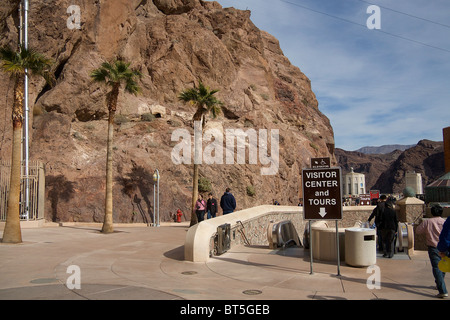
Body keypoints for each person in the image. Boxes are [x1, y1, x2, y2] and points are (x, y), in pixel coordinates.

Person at [416, 205, 447, 298]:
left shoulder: (428, 222)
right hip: (444, 247)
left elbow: (418, 231)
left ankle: (443, 290)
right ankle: (439, 284)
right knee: (443, 267)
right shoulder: (445, 222)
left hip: (433, 247)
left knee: (436, 268)